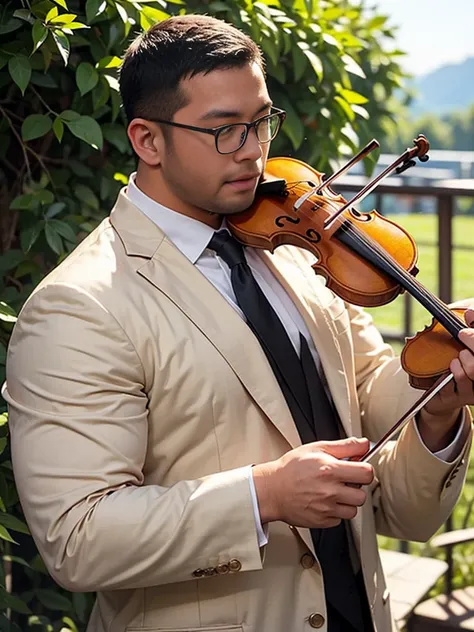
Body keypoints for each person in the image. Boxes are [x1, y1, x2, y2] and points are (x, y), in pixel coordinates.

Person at [2, 14, 474, 632]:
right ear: (147, 140)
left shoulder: (297, 255)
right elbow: (77, 538)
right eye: (224, 131)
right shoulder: (79, 306)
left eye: (261, 123)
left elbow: (372, 407)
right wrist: (264, 495)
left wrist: (438, 395)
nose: (253, 151)